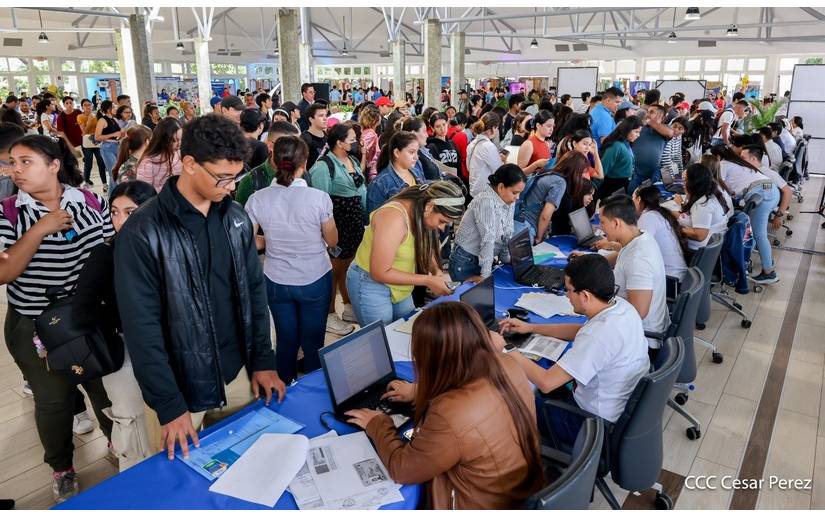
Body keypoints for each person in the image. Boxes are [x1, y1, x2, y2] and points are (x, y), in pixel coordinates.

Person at [114, 113, 286, 462]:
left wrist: (264, 361)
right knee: (180, 481)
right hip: (181, 386)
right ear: (189, 164)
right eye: (223, 177)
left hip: (239, 373)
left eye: (236, 177)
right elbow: (141, 327)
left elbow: (254, 292)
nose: (232, 186)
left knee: (251, 462)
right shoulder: (143, 231)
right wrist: (169, 404)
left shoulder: (236, 218)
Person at [0, 135, 114, 501]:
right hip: (34, 324)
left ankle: (119, 443)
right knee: (53, 401)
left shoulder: (90, 200)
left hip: (88, 317)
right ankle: (62, 467)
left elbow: (109, 250)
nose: (16, 170)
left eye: (26, 162)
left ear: (53, 165)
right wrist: (39, 230)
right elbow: (4, 273)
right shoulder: (8, 213)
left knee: (105, 386)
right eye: (12, 163)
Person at [346, 301, 542, 509]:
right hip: (518, 490)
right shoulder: (509, 364)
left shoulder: (450, 414)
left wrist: (378, 423)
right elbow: (473, 388)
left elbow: (403, 470)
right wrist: (417, 390)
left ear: (431, 356)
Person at [500, 254, 649, 446]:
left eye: (569, 290)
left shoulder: (599, 335)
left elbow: (546, 382)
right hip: (618, 410)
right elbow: (582, 331)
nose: (566, 296)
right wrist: (531, 327)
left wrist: (505, 348)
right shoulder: (621, 307)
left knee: (514, 397)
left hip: (590, 424)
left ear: (585, 295)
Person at [73, 180, 157, 471]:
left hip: (164, 347)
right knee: (130, 421)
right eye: (114, 212)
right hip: (123, 352)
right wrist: (126, 319)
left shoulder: (166, 246)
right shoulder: (104, 255)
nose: (120, 221)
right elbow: (81, 313)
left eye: (131, 212)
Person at [246, 135, 339, 382]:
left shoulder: (258, 198)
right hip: (315, 277)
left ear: (274, 162)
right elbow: (332, 241)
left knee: (286, 341)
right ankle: (314, 389)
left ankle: (284, 392)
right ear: (305, 162)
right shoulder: (319, 199)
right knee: (313, 342)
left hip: (276, 280)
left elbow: (247, 241)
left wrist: (269, 241)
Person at [347, 181, 463, 325]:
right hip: (369, 283)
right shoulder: (394, 218)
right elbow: (379, 272)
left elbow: (425, 245)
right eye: (442, 221)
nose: (441, 228)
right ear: (430, 206)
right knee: (383, 341)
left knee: (407, 329)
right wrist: (428, 280)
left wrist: (437, 272)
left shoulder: (422, 211)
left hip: (400, 284)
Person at [308, 123, 367, 335]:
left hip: (354, 224)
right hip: (337, 226)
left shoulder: (351, 160)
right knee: (333, 271)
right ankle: (330, 314)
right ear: (340, 143)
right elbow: (317, 201)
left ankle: (349, 307)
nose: (356, 142)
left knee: (348, 267)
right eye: (352, 139)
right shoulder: (324, 167)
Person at [597, 195, 669, 348]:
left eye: (602, 222)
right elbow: (622, 257)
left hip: (641, 338)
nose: (600, 227)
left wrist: (598, 310)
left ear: (616, 223)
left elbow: (638, 312)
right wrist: (591, 263)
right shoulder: (639, 237)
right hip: (631, 325)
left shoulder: (639, 260)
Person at [449, 164, 525, 280]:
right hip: (467, 260)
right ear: (500, 187)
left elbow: (508, 230)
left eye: (519, 193)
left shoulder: (508, 199)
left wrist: (505, 257)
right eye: (514, 193)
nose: (517, 197)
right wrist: (485, 276)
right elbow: (488, 240)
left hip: (485, 257)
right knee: (469, 295)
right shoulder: (485, 201)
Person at [718, 147, 780, 284]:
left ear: (717, 157)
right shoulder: (739, 164)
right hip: (771, 190)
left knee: (758, 235)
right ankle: (751, 262)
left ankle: (769, 272)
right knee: (753, 232)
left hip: (761, 193)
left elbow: (717, 186)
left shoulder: (723, 164)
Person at [235, 121, 300, 206]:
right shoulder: (251, 181)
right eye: (289, 146)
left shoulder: (303, 176)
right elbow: (241, 216)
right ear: (271, 146)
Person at [633, 185, 688, 279]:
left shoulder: (648, 217)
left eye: (632, 199)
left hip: (670, 278)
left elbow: (637, 250)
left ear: (638, 200)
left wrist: (612, 245)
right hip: (677, 274)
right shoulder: (659, 212)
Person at [367, 131, 428, 215]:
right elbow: (374, 220)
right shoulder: (379, 184)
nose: (416, 157)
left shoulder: (416, 172)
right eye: (411, 152)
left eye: (417, 152)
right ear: (396, 153)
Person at [676, 163, 731, 254]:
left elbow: (699, 235)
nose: (683, 184)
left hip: (696, 252)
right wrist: (668, 212)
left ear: (694, 183)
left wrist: (676, 228)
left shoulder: (702, 205)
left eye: (685, 181)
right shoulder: (711, 195)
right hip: (711, 250)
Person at [628, 104, 674, 193]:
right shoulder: (640, 128)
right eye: (647, 112)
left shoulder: (666, 129)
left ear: (662, 116)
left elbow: (670, 133)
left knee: (648, 199)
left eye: (651, 112)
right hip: (635, 174)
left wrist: (650, 121)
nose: (647, 114)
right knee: (632, 198)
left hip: (652, 175)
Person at [597, 116, 643, 199]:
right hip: (612, 187)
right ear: (628, 129)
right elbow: (603, 169)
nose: (638, 135)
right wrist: (592, 189)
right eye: (636, 132)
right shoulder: (616, 146)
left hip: (622, 184)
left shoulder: (627, 143)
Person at [134, 117, 183, 192]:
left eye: (180, 139)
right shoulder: (148, 163)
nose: (179, 144)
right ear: (163, 140)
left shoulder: (180, 155)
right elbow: (144, 192)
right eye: (174, 141)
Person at [467, 112, 503, 197]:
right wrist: (502, 160)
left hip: (473, 190)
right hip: (485, 193)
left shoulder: (471, 144)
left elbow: (469, 167)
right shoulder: (488, 146)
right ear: (494, 128)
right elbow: (499, 171)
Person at [94, 100, 123, 191]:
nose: (115, 108)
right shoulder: (102, 120)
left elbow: (118, 133)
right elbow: (97, 137)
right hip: (107, 147)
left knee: (115, 173)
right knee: (114, 173)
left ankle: (111, 198)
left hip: (116, 146)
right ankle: (115, 196)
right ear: (108, 109)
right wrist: (113, 134)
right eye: (113, 107)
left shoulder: (114, 119)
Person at [77, 98, 106, 188]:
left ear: (92, 105)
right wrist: (89, 121)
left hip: (97, 140)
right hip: (87, 141)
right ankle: (87, 181)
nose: (88, 107)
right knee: (88, 162)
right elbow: (84, 132)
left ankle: (105, 184)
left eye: (89, 105)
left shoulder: (97, 116)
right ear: (82, 107)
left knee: (101, 162)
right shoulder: (80, 117)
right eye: (85, 105)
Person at [516, 109, 553, 175]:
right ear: (538, 126)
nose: (551, 129)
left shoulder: (546, 144)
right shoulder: (528, 144)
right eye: (548, 126)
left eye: (553, 126)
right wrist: (535, 165)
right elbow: (519, 173)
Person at [300, 103, 328, 170]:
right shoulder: (304, 138)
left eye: (326, 115)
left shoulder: (327, 137)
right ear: (311, 119)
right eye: (321, 116)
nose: (325, 118)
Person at [358, 104, 382, 181]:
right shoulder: (371, 134)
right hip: (368, 170)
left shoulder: (364, 131)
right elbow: (365, 152)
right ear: (376, 119)